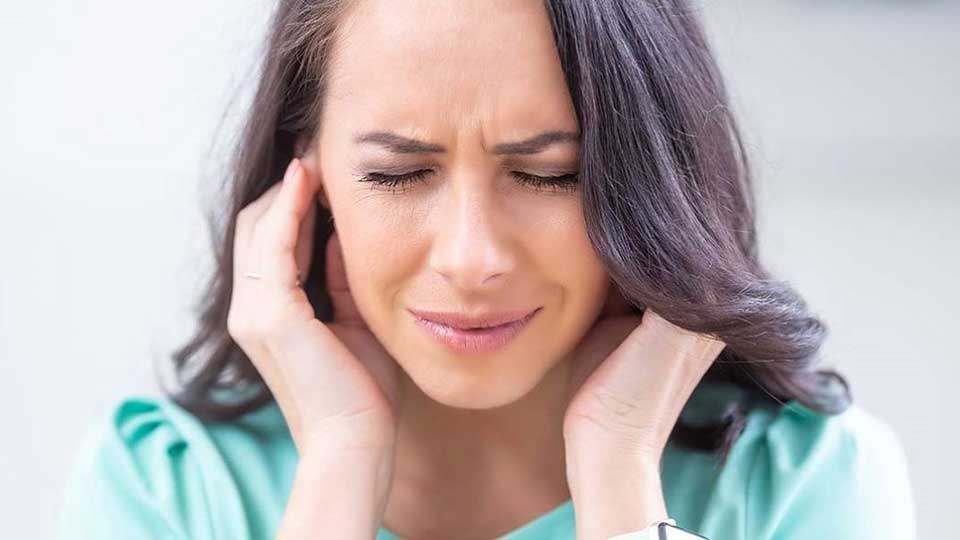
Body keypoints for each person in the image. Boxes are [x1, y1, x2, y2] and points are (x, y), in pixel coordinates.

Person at [55, 1, 916, 539]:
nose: (471, 259)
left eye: (548, 175)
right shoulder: (161, 488)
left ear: (650, 179)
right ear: (305, 179)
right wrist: (340, 470)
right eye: (397, 174)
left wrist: (619, 485)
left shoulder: (805, 487)